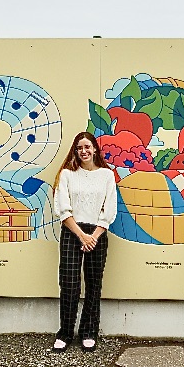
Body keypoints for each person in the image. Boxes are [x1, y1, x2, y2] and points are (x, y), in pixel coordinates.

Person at [51, 132, 117, 353]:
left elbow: (109, 210)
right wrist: (82, 236)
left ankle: (89, 332)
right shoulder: (67, 175)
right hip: (73, 231)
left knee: (93, 284)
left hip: (97, 233)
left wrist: (93, 237)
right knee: (69, 284)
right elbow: (62, 208)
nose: (84, 151)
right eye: (79, 148)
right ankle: (65, 333)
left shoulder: (107, 175)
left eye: (87, 147)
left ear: (95, 149)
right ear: (75, 151)